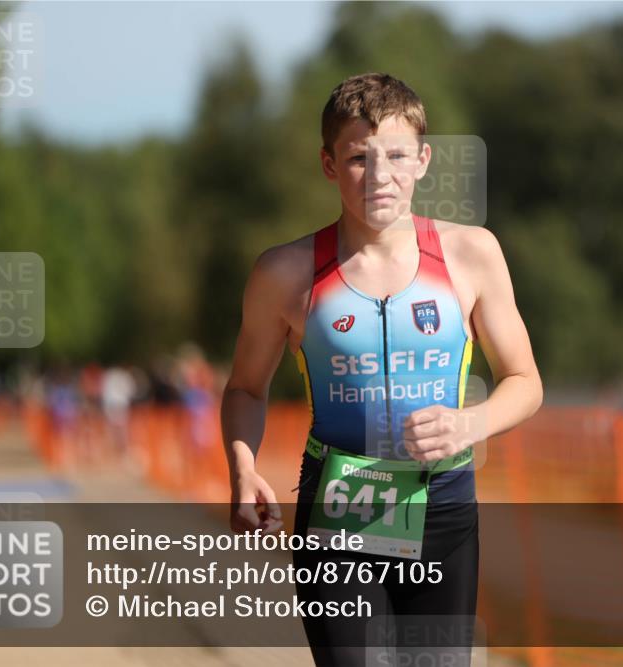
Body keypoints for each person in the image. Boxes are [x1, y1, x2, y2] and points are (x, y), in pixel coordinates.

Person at [221, 72, 542, 665]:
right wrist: (242, 468)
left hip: (442, 505)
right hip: (340, 511)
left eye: (396, 155)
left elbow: (525, 382)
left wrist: (470, 425)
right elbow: (244, 388)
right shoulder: (284, 272)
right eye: (357, 158)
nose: (380, 176)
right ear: (327, 164)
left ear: (423, 159)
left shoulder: (472, 253)